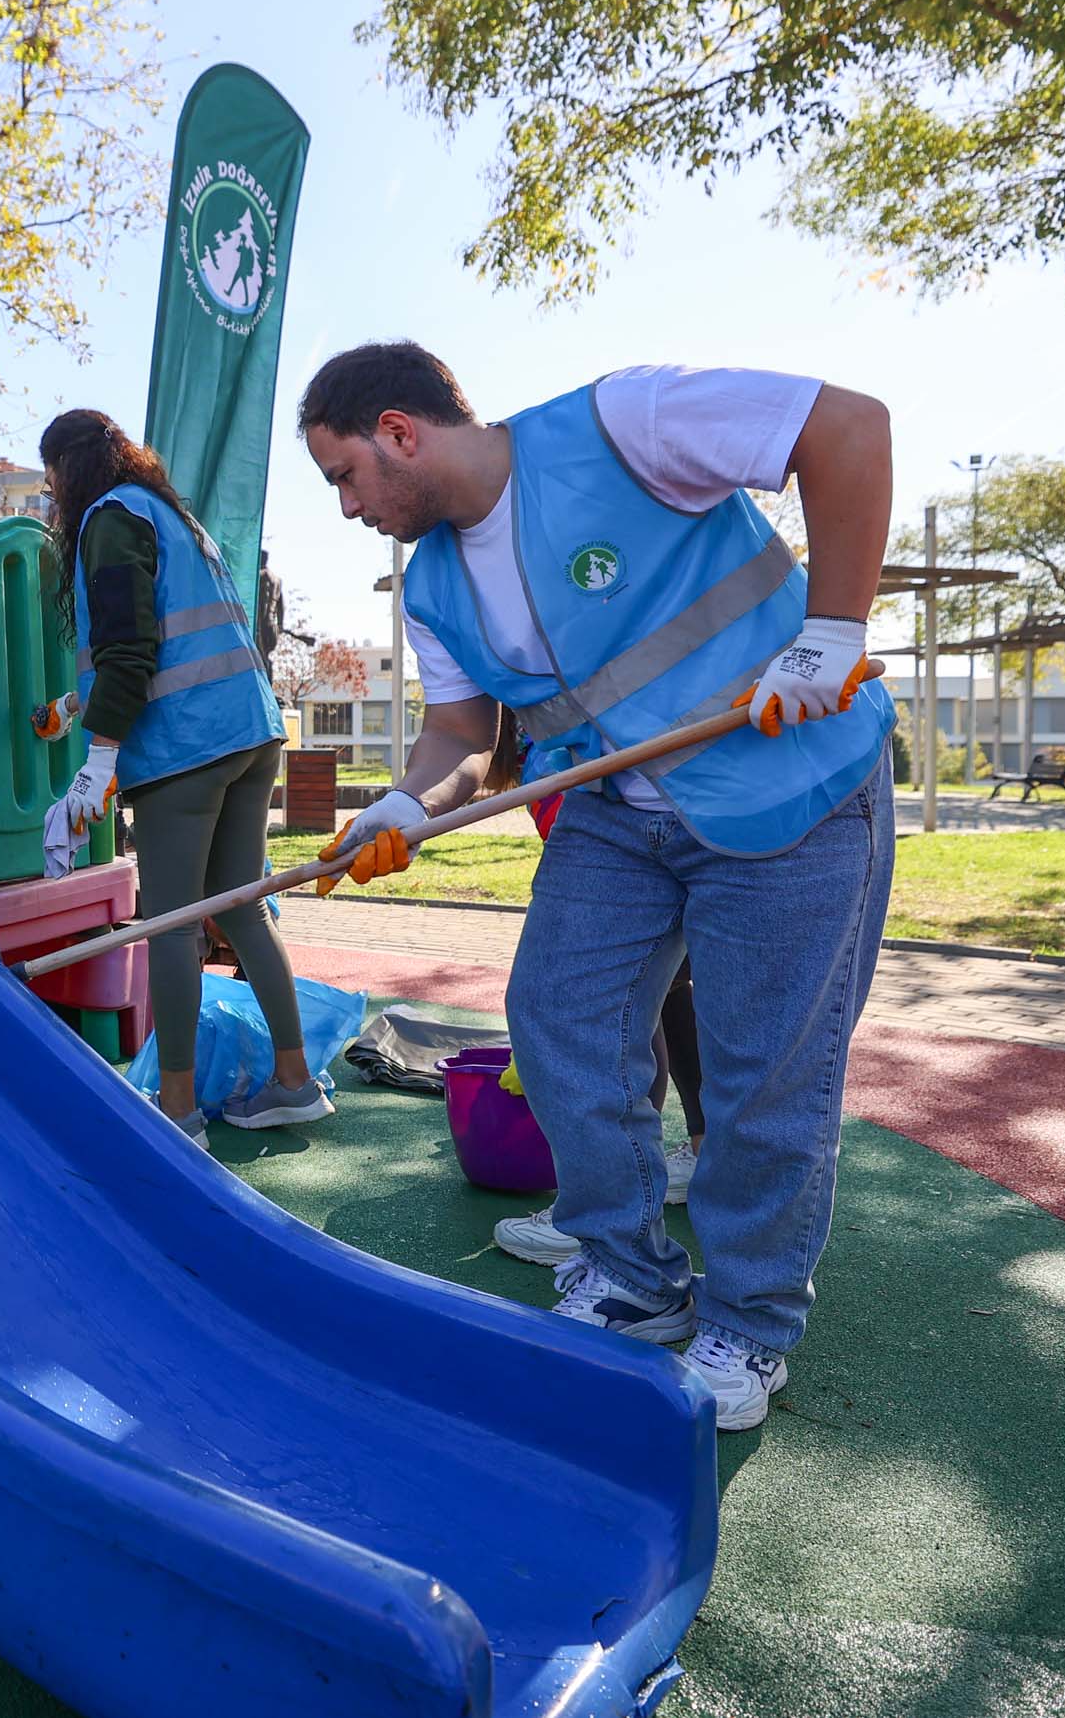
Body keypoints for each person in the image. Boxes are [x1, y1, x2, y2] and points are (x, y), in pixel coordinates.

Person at [301, 347, 894, 1431]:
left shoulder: (625, 422)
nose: (347, 508)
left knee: (767, 1071)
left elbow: (848, 425)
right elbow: (459, 739)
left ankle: (750, 1324)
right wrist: (405, 806)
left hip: (792, 788)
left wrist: (832, 633)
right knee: (559, 1017)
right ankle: (628, 1277)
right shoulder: (431, 585)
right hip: (622, 814)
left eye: (344, 476)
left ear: (398, 431)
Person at [34, 409, 324, 1144]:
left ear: (68, 470)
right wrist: (73, 708)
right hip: (248, 731)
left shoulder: (106, 518)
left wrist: (96, 763)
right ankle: (294, 1083)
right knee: (241, 907)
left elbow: (131, 652)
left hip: (184, 748)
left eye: (47, 480)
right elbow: (163, 643)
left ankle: (175, 1111)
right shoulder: (167, 515)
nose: (48, 496)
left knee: (169, 923)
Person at [461, 710, 708, 1267]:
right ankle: (696, 1153)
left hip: (661, 805)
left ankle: (607, 1202)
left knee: (629, 1002)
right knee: (667, 989)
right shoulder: (542, 740)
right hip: (680, 802)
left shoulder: (552, 740)